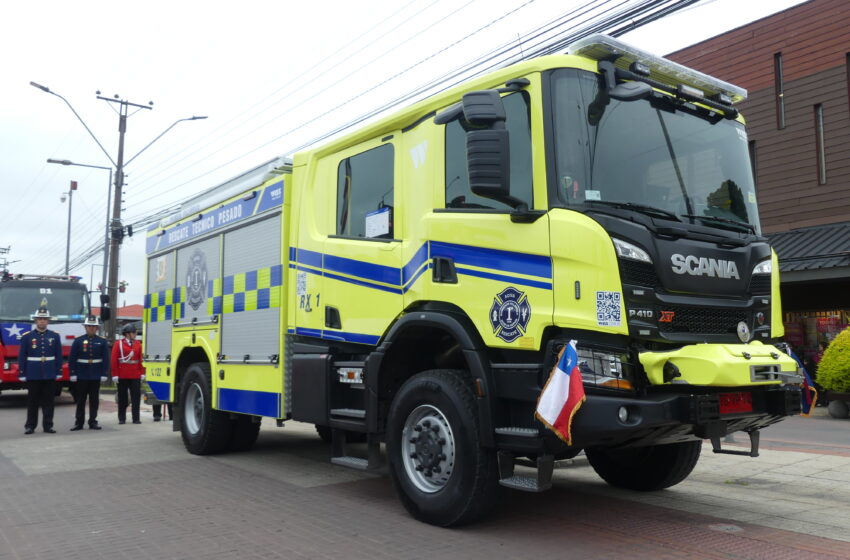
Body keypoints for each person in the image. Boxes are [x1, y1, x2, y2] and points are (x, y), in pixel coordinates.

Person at [18, 307, 63, 434]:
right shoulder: (27, 337)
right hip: (33, 373)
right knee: (32, 401)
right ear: (35, 321)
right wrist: (22, 372)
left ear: (48, 321)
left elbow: (58, 355)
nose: (42, 321)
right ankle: (30, 426)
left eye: (44, 319)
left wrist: (59, 371)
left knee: (49, 401)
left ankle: (48, 425)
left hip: (49, 373)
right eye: (40, 319)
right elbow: (22, 355)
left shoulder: (54, 336)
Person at [68, 315, 110, 430]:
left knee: (94, 400)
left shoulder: (102, 341)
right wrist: (72, 373)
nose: (91, 328)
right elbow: (72, 358)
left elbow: (105, 359)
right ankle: (79, 422)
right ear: (85, 327)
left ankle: (93, 421)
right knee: (80, 400)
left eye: (93, 326)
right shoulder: (78, 341)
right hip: (82, 374)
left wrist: (104, 373)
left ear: (97, 328)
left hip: (96, 374)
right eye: (89, 326)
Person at [111, 323, 144, 424]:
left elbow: (141, 359)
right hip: (123, 374)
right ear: (127, 334)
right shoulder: (118, 344)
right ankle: (122, 418)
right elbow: (114, 359)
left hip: (135, 374)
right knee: (122, 398)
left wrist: (142, 372)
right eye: (133, 332)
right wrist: (115, 374)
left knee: (136, 397)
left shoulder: (138, 343)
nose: (135, 334)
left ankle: (136, 418)